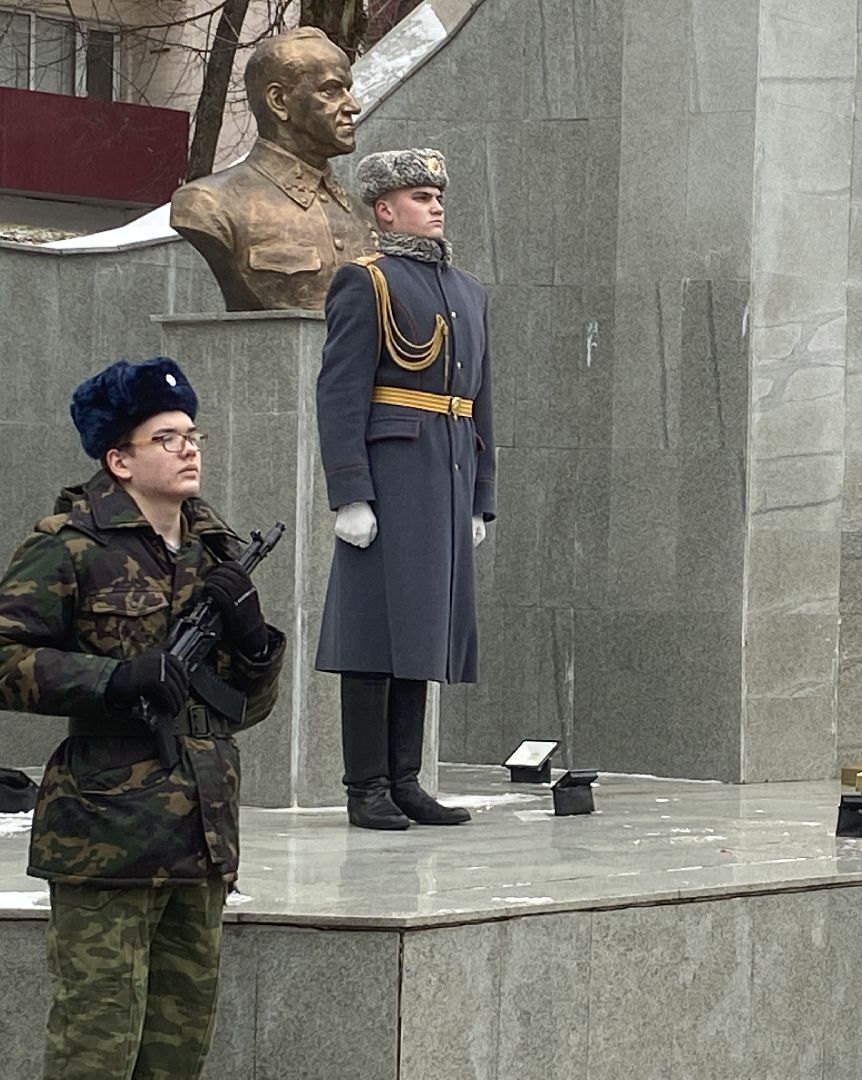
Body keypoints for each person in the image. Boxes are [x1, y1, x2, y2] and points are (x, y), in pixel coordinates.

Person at [0, 357, 287, 1079]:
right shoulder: (69, 545)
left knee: (176, 1052)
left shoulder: (216, 550)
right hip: (106, 836)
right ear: (118, 459)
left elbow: (243, 710)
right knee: (95, 1050)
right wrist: (113, 678)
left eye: (193, 434)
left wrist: (255, 644)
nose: (189, 449)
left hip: (201, 833)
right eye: (166, 438)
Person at [314, 147, 496, 830]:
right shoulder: (367, 282)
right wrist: (350, 492)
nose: (435, 205)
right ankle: (366, 786)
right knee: (373, 633)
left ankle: (404, 780)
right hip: (391, 475)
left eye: (438, 195)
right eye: (420, 197)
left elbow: (480, 402)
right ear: (385, 210)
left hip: (447, 474)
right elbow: (340, 392)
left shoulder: (468, 291)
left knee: (421, 630)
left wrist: (480, 496)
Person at [171, 27, 374, 311]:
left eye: (348, 91)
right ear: (279, 101)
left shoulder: (365, 216)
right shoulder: (209, 204)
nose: (353, 106)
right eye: (331, 90)